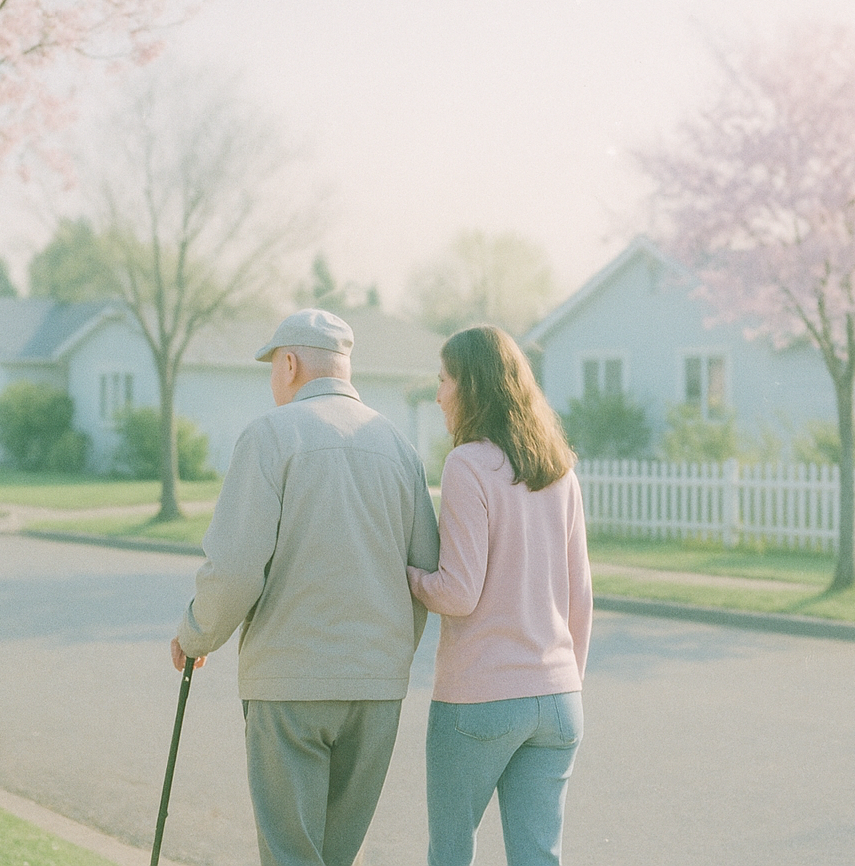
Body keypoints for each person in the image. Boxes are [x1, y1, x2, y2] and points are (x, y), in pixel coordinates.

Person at [171, 307, 440, 866]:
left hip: (289, 684)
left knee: (292, 856)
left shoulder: (270, 436)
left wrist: (196, 635)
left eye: (273, 366)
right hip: (375, 685)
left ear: (289, 363)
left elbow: (236, 567)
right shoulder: (398, 448)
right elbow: (424, 574)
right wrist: (386, 656)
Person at [407, 325, 593, 866]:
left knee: (450, 854)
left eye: (444, 380)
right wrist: (564, 683)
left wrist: (409, 575)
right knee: (539, 858)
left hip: (479, 699)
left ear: (471, 385)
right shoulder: (559, 471)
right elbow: (580, 595)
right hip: (559, 699)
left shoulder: (467, 464)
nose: (438, 393)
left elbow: (459, 593)